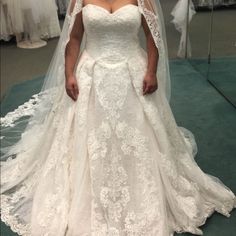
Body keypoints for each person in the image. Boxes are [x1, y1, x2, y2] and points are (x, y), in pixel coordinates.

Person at [1, 0, 235, 235]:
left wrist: (151, 71)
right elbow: (73, 38)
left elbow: (152, 35)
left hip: (132, 75)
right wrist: (69, 73)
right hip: (91, 76)